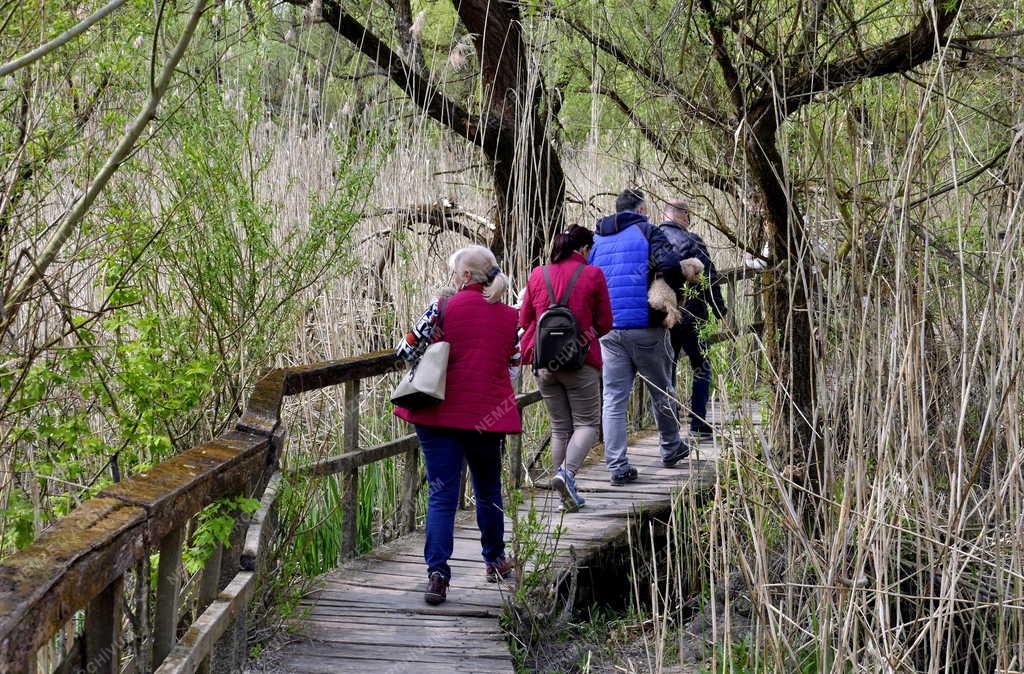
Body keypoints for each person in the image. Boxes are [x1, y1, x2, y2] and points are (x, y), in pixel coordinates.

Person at [394, 245, 521, 606]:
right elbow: (515, 361)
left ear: (466, 276)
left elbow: (405, 350)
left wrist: (438, 340)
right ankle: (495, 560)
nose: (451, 279)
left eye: (455, 273)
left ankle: (437, 575)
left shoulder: (443, 306)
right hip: (486, 417)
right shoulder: (511, 316)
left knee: (442, 493)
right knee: (488, 489)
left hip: (439, 416)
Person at [589, 188, 690, 485]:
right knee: (662, 389)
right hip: (645, 325)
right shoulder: (648, 232)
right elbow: (671, 264)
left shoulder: (598, 239)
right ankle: (671, 447)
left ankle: (617, 465)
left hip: (608, 329)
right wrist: (665, 289)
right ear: (641, 209)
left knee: (614, 398)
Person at [519, 225, 613, 512]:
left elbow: (524, 318)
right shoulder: (592, 275)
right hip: (580, 363)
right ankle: (567, 474)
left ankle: (564, 497)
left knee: (560, 429)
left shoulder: (538, 274)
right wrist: (584, 336)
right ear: (583, 249)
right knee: (587, 425)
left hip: (544, 363)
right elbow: (606, 321)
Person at [659, 199, 727, 439]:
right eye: (688, 216)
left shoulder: (651, 240)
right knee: (702, 365)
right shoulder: (692, 240)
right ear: (683, 216)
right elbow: (709, 275)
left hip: (662, 315)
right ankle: (697, 421)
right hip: (692, 314)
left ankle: (669, 424)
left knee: (667, 370)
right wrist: (719, 309)